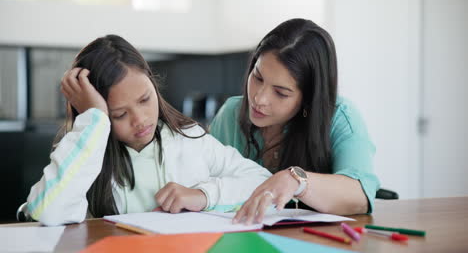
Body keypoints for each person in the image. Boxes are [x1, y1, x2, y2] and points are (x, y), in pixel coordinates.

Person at [22, 35, 271, 226]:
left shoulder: (190, 139)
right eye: (119, 114)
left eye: (144, 99)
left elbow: (263, 183)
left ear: (153, 84)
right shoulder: (83, 149)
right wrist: (94, 120)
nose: (140, 120)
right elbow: (49, 211)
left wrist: (202, 195)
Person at [209, 18, 380, 224]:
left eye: (281, 93)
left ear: (308, 99)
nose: (259, 99)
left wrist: (296, 181)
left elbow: (359, 195)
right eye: (258, 77)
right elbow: (205, 181)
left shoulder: (341, 117)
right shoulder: (230, 114)